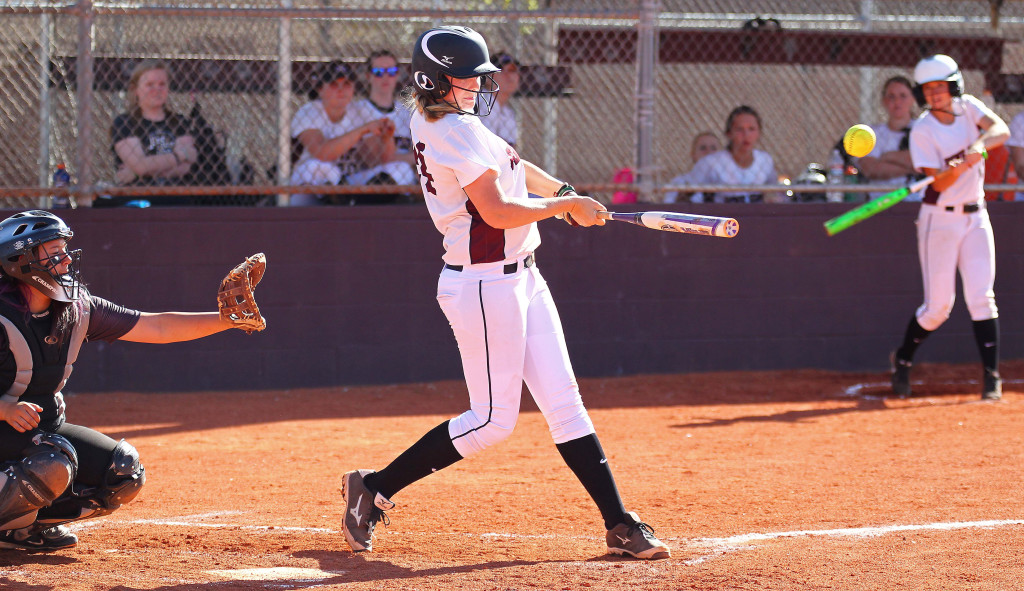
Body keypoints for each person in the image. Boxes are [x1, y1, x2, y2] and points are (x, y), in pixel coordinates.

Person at [340, 26, 670, 561]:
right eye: (467, 79)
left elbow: (511, 165)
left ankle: (618, 522)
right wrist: (567, 209)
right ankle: (373, 489)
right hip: (483, 283)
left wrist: (564, 191)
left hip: (520, 276)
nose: (478, 86)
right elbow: (494, 210)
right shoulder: (453, 132)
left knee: (565, 402)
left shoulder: (440, 116)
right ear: (437, 81)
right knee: (493, 421)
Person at [0, 210, 265, 551]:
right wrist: (6, 408)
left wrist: (227, 319)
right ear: (21, 260)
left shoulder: (77, 307)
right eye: (53, 251)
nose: (66, 259)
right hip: (7, 428)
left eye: (64, 248)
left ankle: (22, 528)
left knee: (123, 472)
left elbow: (157, 326)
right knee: (52, 461)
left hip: (42, 429)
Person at [889, 54, 1009, 400]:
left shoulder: (969, 108)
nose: (935, 94)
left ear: (954, 86)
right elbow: (937, 184)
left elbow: (1000, 130)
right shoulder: (922, 130)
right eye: (928, 89)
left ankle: (991, 377)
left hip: (976, 216)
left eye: (941, 87)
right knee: (938, 308)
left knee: (982, 298)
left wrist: (977, 147)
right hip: (939, 219)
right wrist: (955, 166)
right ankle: (904, 359)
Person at [290, 61, 415, 206]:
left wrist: (386, 139)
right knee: (317, 167)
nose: (341, 90)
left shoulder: (359, 111)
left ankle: (362, 206)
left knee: (400, 169)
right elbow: (322, 152)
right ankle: (334, 203)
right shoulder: (310, 111)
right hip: (308, 190)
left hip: (348, 182)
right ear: (320, 89)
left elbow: (378, 159)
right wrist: (362, 130)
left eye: (347, 84)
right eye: (334, 85)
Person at [106, 59, 198, 207]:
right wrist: (180, 155)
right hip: (137, 199)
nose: (157, 89)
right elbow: (140, 166)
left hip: (176, 198)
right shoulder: (124, 123)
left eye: (162, 84)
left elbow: (185, 168)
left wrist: (139, 172)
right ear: (136, 89)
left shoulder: (180, 122)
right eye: (149, 85)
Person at [684, 106, 779, 203]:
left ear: (759, 133)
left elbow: (775, 193)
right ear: (729, 133)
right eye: (739, 129)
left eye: (751, 129)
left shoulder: (764, 160)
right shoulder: (711, 163)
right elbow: (687, 195)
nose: (746, 135)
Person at [353, 50, 416, 196]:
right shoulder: (357, 110)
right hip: (366, 176)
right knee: (401, 169)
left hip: (403, 178)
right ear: (368, 76)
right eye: (379, 72)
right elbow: (374, 158)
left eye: (392, 71)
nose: (386, 77)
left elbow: (421, 154)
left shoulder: (406, 112)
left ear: (398, 75)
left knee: (404, 170)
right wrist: (408, 159)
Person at [855, 75, 924, 200]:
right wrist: (911, 168)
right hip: (879, 203)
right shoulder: (872, 133)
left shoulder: (924, 129)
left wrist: (888, 156)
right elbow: (871, 169)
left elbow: (926, 163)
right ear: (883, 101)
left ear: (913, 98)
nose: (897, 102)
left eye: (903, 96)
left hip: (915, 201)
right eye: (891, 97)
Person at [664, 131, 722, 203]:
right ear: (693, 154)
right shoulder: (679, 182)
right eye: (703, 148)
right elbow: (668, 206)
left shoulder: (728, 181)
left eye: (713, 148)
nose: (708, 152)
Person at [480, 51, 520, 147]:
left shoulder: (508, 112)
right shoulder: (480, 101)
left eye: (512, 70)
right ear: (488, 77)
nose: (509, 76)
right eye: (501, 70)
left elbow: (511, 147)